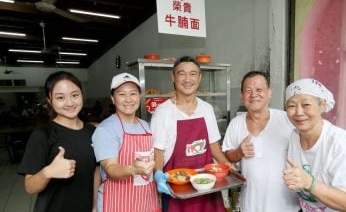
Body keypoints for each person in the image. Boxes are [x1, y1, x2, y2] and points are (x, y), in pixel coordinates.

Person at [283, 78, 346, 212]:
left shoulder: (339, 143)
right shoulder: (294, 136)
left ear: (322, 105)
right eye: (291, 106)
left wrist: (309, 183)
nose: (298, 112)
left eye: (306, 105)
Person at [151, 56, 228, 212]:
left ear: (199, 78)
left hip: (206, 185)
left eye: (193, 74)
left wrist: (228, 167)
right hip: (176, 188)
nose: (187, 79)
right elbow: (157, 151)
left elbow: (213, 145)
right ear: (173, 77)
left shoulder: (207, 109)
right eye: (182, 73)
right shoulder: (162, 111)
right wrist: (158, 174)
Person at [18, 71, 99, 212]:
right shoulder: (42, 135)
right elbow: (29, 187)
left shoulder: (92, 132)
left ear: (82, 95)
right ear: (49, 100)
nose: (70, 103)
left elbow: (96, 172)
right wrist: (48, 172)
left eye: (75, 95)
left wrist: (94, 205)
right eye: (60, 97)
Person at [222, 71, 299, 212]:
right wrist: (239, 152)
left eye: (259, 90)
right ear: (242, 96)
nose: (253, 94)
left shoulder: (287, 120)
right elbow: (227, 156)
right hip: (250, 204)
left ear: (269, 92)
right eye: (248, 91)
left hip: (286, 205)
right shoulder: (236, 123)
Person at [92, 72, 158, 212]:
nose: (128, 99)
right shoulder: (106, 129)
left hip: (145, 200)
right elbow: (110, 168)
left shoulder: (144, 126)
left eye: (133, 93)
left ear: (139, 96)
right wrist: (132, 169)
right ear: (113, 98)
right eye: (122, 94)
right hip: (117, 202)